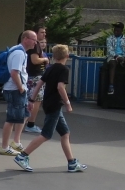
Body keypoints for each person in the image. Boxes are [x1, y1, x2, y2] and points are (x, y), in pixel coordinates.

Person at [15, 45, 86, 173]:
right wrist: (68, 103)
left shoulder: (50, 68)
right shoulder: (64, 69)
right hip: (55, 105)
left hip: (48, 104)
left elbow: (39, 84)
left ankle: (71, 163)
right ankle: (22, 156)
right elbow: (60, 87)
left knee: (65, 133)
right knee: (46, 134)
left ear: (53, 56)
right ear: (67, 56)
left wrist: (32, 99)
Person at [0, 30, 36, 158]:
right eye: (33, 40)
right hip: (15, 89)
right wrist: (20, 88)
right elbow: (14, 73)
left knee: (24, 113)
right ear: (25, 39)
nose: (35, 43)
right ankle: (4, 146)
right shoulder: (19, 53)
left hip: (17, 88)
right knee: (12, 118)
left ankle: (16, 141)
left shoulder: (18, 51)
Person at [23, 26, 50, 135]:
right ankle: (30, 124)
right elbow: (34, 60)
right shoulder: (36, 46)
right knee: (36, 100)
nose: (44, 34)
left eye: (45, 32)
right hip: (35, 76)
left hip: (33, 75)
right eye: (42, 32)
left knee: (32, 99)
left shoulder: (35, 46)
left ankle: (26, 122)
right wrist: (45, 59)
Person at [106, 22, 125, 96]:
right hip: (113, 56)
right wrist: (116, 57)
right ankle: (111, 86)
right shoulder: (109, 38)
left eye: (117, 30)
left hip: (123, 56)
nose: (115, 31)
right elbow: (110, 50)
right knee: (112, 64)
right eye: (115, 29)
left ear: (121, 30)